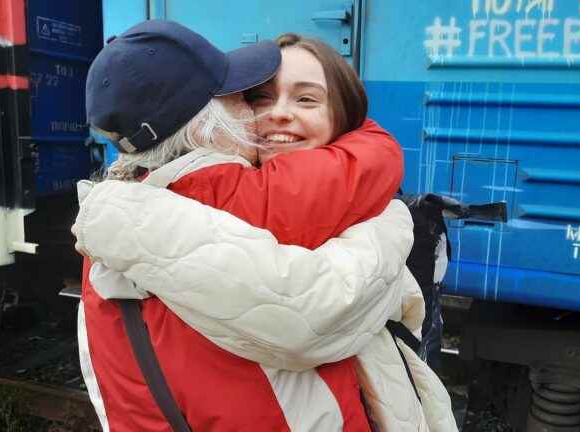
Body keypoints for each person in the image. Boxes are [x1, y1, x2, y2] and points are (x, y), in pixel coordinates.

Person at [76, 21, 456, 431]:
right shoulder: (247, 203)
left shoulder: (114, 214)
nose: (276, 114)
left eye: (307, 99)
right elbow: (352, 175)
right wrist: (384, 200)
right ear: (207, 125)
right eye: (250, 98)